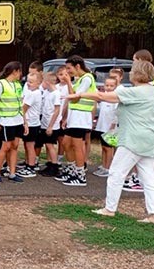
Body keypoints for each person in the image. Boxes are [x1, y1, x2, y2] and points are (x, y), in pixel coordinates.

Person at [68, 60, 154, 225]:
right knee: (148, 179)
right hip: (149, 140)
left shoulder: (137, 92)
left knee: (116, 173)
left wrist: (80, 94)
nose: (130, 73)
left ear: (138, 74)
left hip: (132, 141)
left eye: (132, 70)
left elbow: (103, 96)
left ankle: (109, 209)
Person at [58, 55, 95, 187]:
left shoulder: (87, 79)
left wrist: (68, 82)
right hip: (74, 117)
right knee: (66, 143)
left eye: (69, 68)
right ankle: (72, 168)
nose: (67, 72)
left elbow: (74, 97)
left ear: (77, 66)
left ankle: (80, 175)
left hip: (81, 118)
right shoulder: (79, 79)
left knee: (77, 146)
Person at [92, 77, 119, 178]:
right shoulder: (104, 97)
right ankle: (104, 165)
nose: (108, 87)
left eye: (111, 86)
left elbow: (117, 113)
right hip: (101, 126)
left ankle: (108, 168)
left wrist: (113, 125)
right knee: (103, 148)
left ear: (115, 86)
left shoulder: (114, 98)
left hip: (109, 127)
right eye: (107, 85)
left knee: (108, 148)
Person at [38, 72, 62, 177]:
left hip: (52, 124)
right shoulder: (47, 92)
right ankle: (49, 164)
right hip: (44, 122)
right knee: (47, 145)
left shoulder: (56, 94)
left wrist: (51, 126)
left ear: (47, 82)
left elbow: (56, 110)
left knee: (50, 144)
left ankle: (55, 165)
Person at [18, 72, 42, 177]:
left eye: (31, 82)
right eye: (27, 81)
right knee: (27, 145)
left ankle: (31, 166)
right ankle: (28, 164)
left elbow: (23, 108)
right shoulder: (31, 93)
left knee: (30, 145)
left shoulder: (34, 94)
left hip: (31, 123)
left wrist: (24, 122)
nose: (28, 84)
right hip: (30, 122)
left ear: (38, 83)